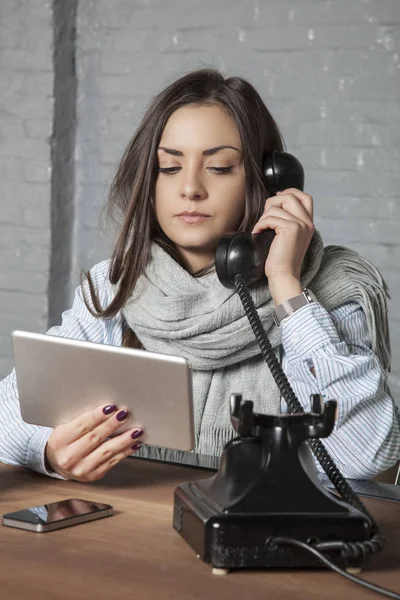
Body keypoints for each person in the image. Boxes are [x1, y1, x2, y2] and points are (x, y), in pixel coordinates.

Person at [0, 68, 398, 483]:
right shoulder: (118, 287)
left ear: (268, 182)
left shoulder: (333, 290)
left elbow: (365, 456)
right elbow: (8, 415)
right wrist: (50, 451)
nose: (190, 187)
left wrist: (285, 285)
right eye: (170, 167)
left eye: (220, 167)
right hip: (136, 532)